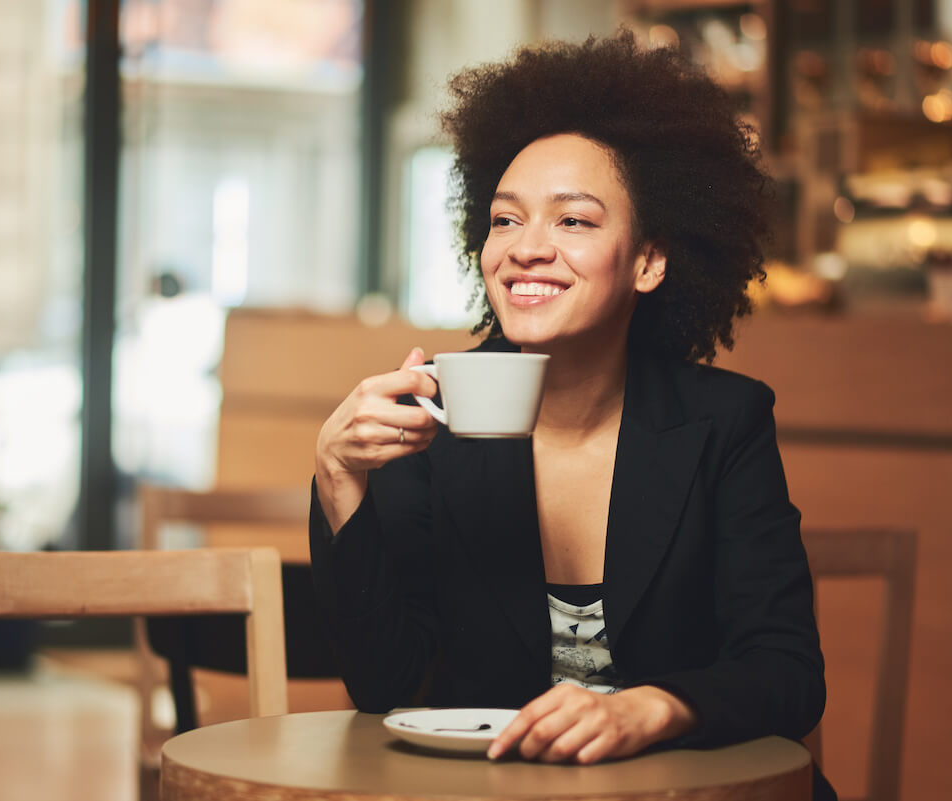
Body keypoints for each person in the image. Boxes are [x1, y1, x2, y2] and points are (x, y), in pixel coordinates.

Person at [309, 32, 834, 800]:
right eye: (505, 220)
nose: (526, 249)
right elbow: (385, 685)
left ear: (650, 261)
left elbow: (786, 671)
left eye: (575, 221)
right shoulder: (427, 416)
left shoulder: (725, 422)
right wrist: (338, 478)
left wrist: (650, 710)